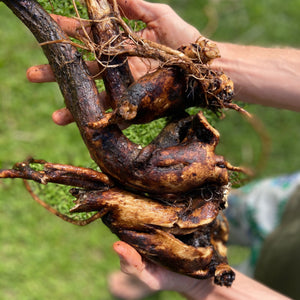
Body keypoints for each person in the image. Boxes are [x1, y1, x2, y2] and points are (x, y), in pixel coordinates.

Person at [26, 0, 300, 299]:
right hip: (285, 204)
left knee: (207, 242)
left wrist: (199, 284)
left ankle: (170, 268)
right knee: (231, 212)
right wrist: (213, 64)